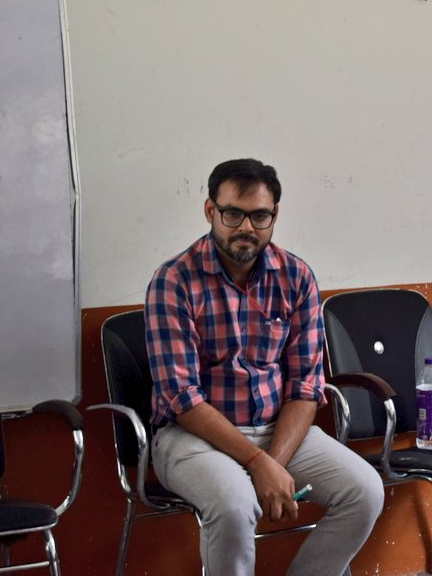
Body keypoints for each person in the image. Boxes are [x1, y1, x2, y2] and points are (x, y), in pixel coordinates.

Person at [145, 158, 384, 576]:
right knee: (235, 504)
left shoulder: (296, 277)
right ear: (210, 211)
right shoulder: (174, 281)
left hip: (279, 431)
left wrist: (271, 461)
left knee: (365, 491)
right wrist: (259, 465)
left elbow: (306, 387)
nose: (246, 227)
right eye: (233, 213)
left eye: (259, 216)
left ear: (275, 215)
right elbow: (183, 400)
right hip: (191, 437)